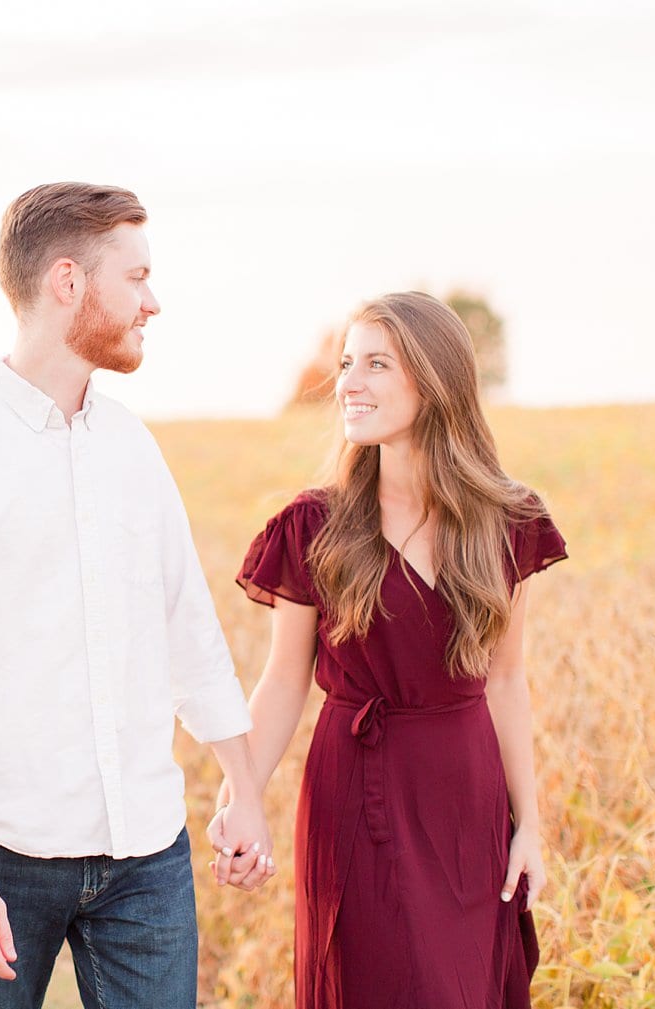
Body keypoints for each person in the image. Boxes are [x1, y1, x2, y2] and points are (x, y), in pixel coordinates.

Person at [0, 182, 274, 1009]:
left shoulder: (133, 448)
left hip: (147, 854)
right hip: (0, 855)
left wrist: (242, 789)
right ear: (66, 282)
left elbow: (187, 629)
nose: (152, 301)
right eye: (135, 277)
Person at [212, 291, 566, 1008]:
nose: (348, 382)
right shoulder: (314, 523)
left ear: (434, 381)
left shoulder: (508, 520)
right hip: (353, 793)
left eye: (376, 363)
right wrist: (239, 799)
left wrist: (529, 824)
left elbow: (504, 681)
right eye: (347, 363)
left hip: (464, 797)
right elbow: (282, 682)